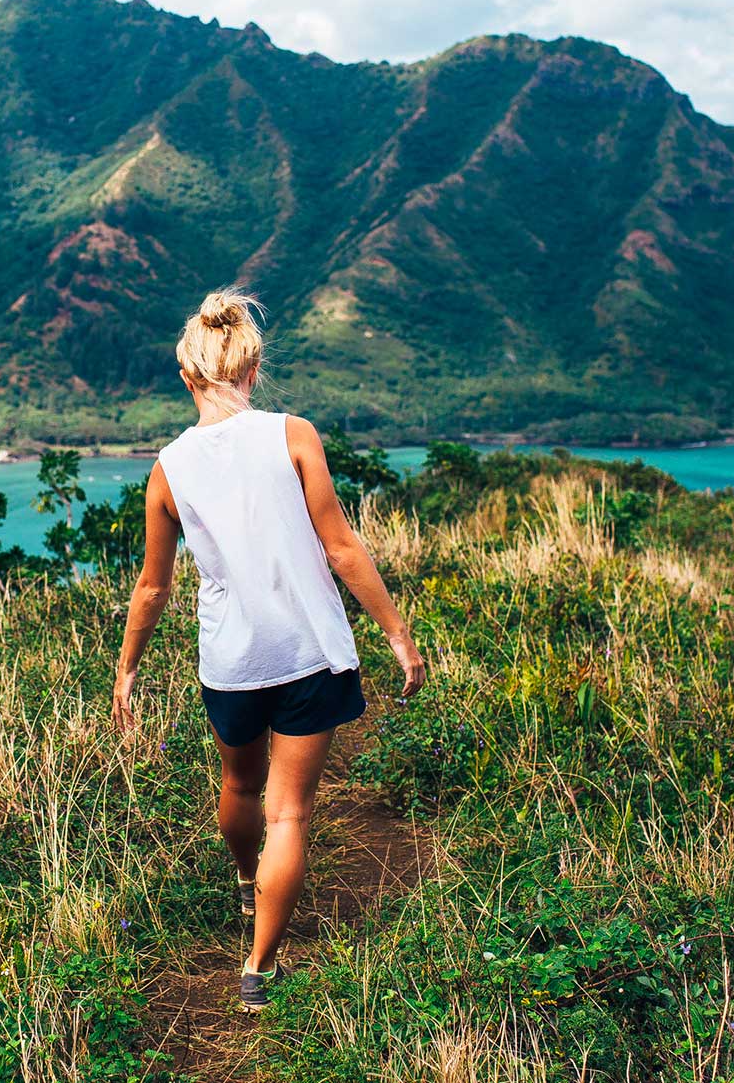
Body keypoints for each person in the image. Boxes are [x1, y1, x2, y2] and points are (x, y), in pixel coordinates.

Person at [111, 286, 426, 1012]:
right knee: (290, 814)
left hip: (229, 663)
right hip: (307, 653)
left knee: (240, 790)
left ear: (188, 378)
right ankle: (257, 967)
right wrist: (397, 635)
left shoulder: (169, 467)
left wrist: (127, 671)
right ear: (252, 371)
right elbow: (343, 550)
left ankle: (248, 882)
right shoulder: (294, 434)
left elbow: (152, 588)